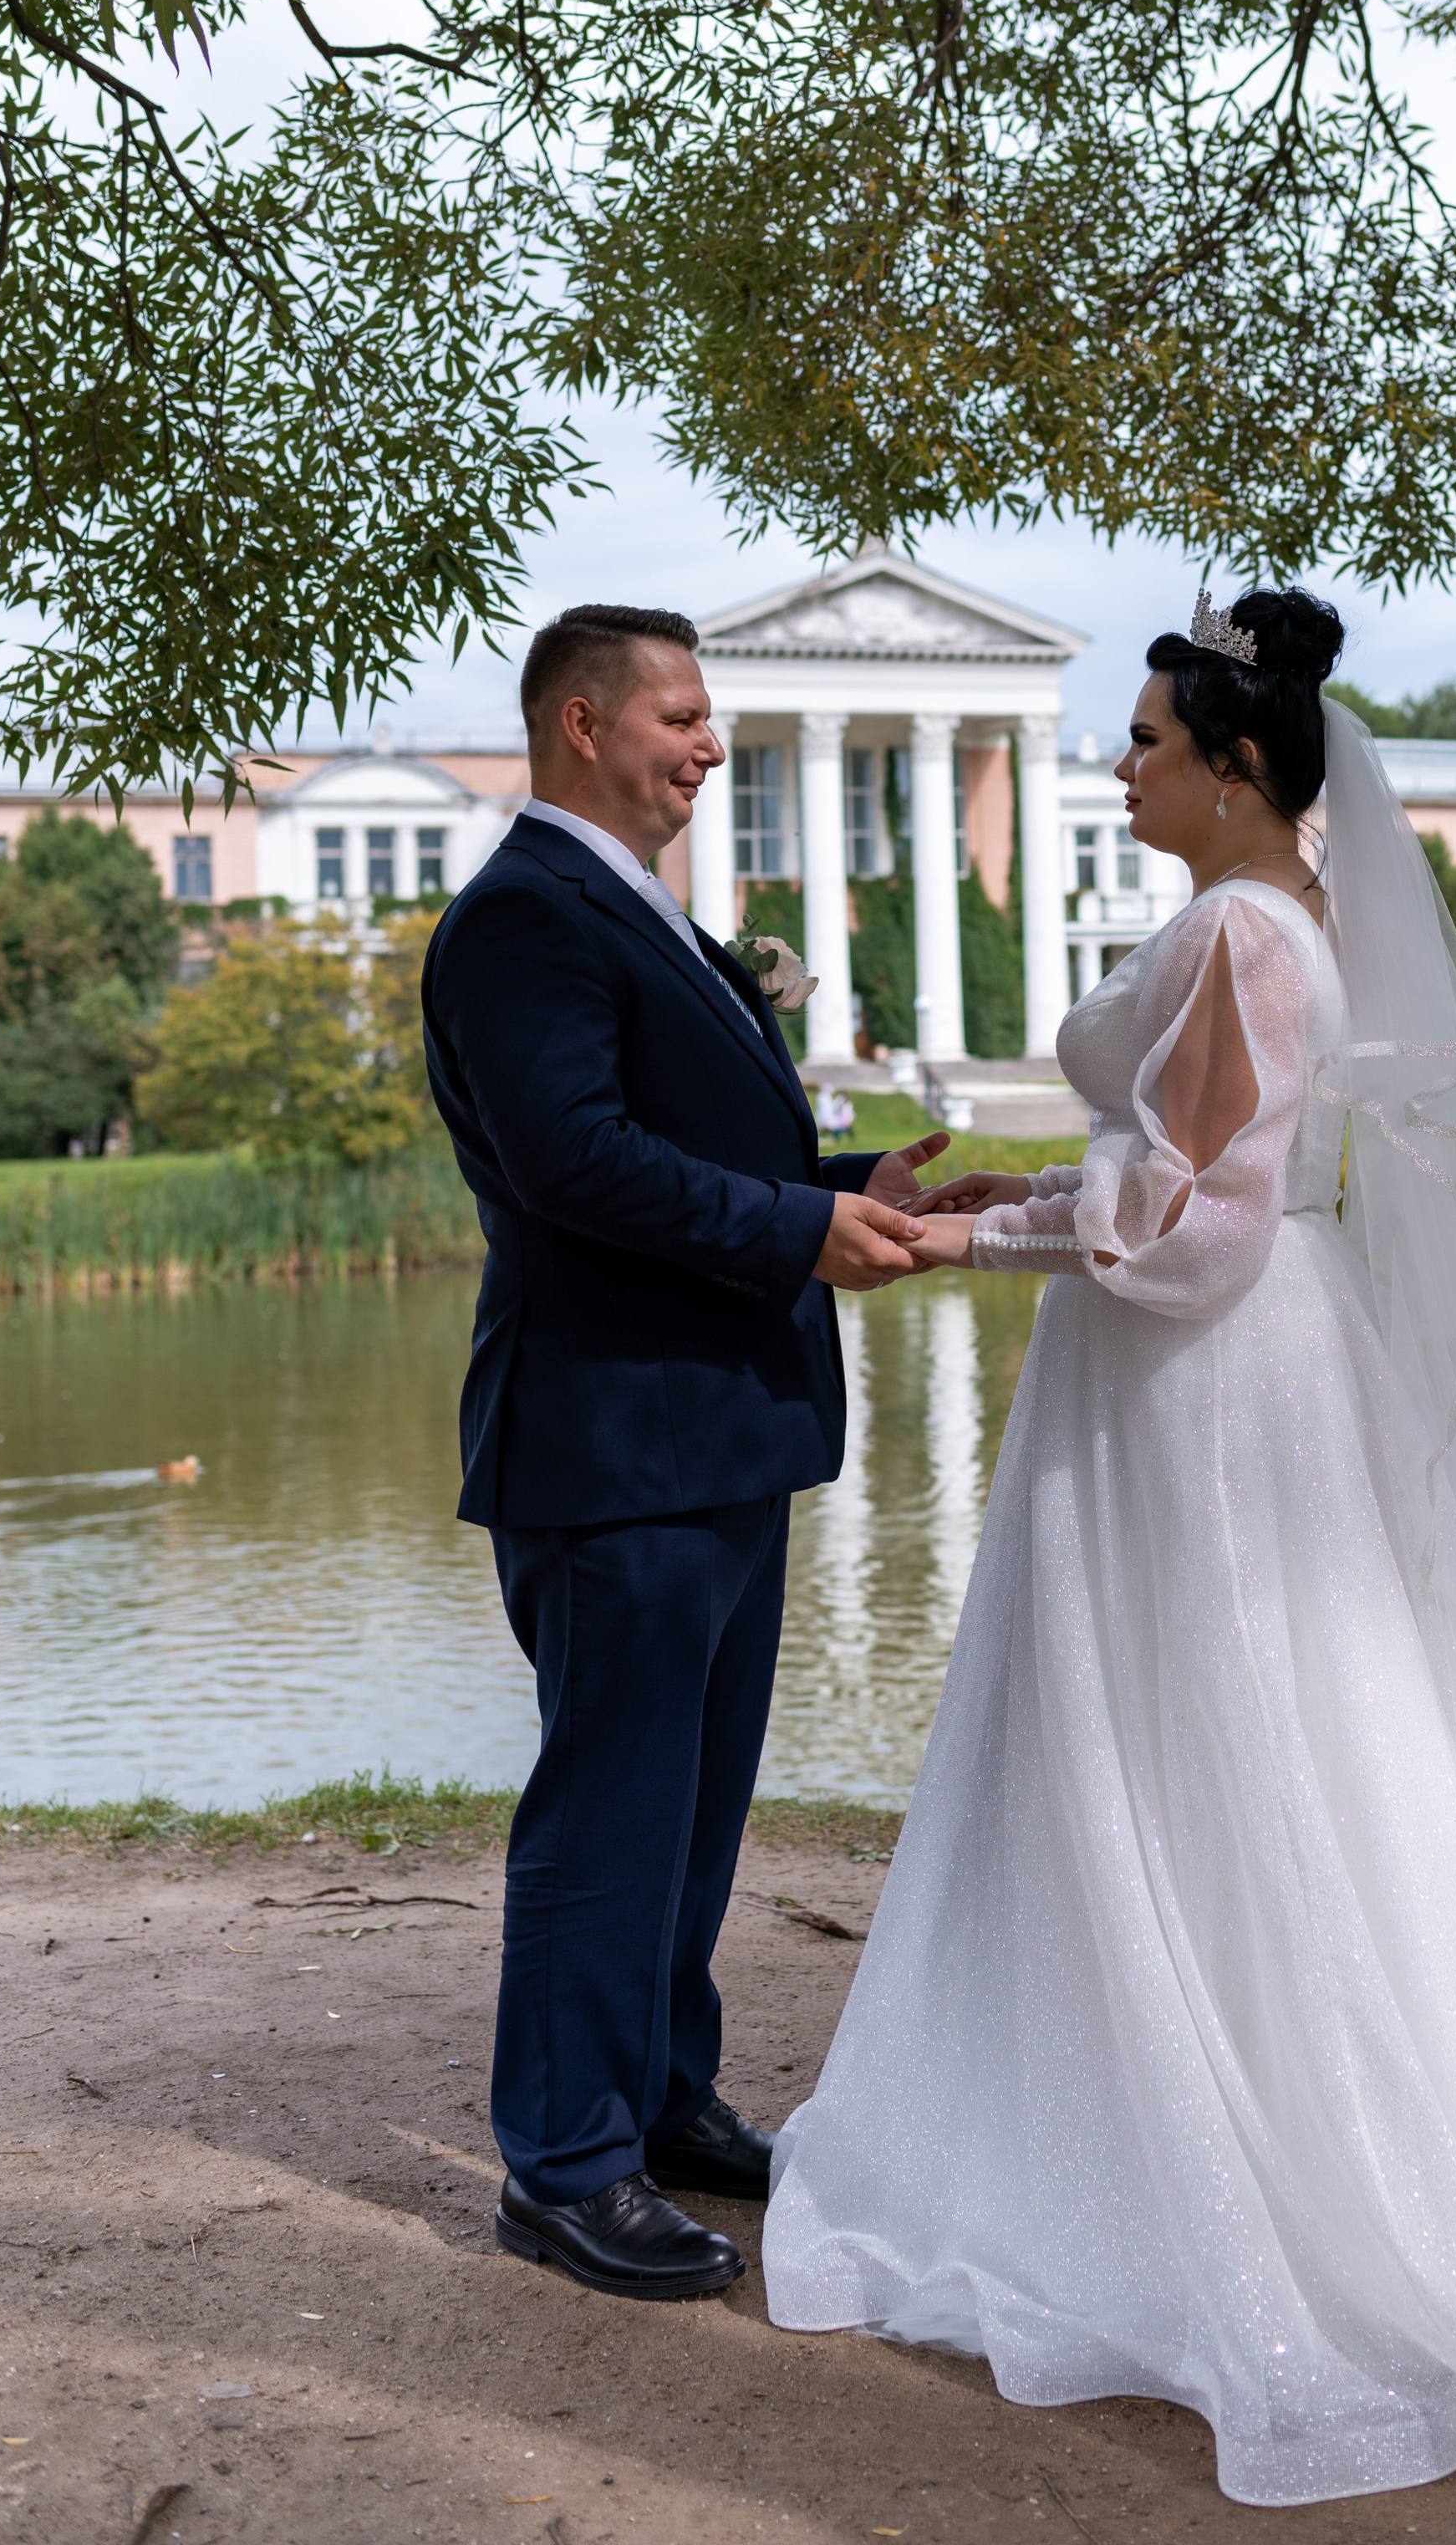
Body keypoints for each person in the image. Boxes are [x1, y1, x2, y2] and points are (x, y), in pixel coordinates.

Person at [762, 585, 1456, 2511]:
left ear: (1237, 770)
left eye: (1144, 741)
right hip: (1243, 1369)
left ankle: (1271, 2139)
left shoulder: (1233, 934)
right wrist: (1035, 1186)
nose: (1117, 764)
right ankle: (1171, 2078)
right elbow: (1195, 1175)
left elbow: (1196, 1234)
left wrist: (976, 1241)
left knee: (1229, 1739)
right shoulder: (1301, 922)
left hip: (1198, 1388)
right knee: (1258, 1734)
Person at [421, 603, 944, 2303]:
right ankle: (563, 2166)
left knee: (696, 1812)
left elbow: (692, 1137)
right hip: (612, 1435)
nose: (708, 744)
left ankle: (655, 2094)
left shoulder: (641, 911)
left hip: (717, 1431)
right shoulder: (521, 917)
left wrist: (856, 1186)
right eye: (681, 716)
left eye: (709, 719)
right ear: (583, 725)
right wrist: (800, 1228)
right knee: (611, 1806)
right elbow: (574, 1160)